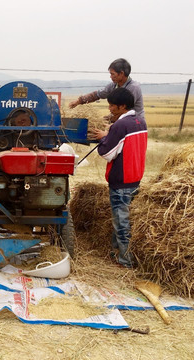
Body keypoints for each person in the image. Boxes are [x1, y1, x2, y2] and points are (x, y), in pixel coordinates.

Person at [89, 88, 147, 268]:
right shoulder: (140, 121)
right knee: (125, 218)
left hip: (121, 180)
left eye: (112, 105)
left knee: (121, 222)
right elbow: (126, 143)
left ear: (122, 106)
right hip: (135, 177)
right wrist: (109, 135)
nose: (110, 109)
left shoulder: (120, 126)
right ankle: (116, 252)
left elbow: (107, 153)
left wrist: (103, 139)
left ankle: (125, 261)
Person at [69, 58, 145, 122]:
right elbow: (98, 94)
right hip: (121, 121)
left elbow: (122, 111)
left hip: (134, 122)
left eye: (113, 74)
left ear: (121, 73)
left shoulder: (133, 88)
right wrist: (78, 101)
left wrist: (100, 121)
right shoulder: (114, 85)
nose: (111, 77)